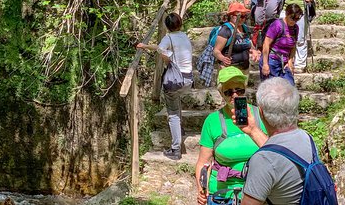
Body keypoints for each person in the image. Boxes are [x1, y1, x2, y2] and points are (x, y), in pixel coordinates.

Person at [239, 78, 323, 205]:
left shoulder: (263, 160)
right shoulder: (306, 138)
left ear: (261, 112)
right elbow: (281, 154)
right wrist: (253, 130)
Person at [195, 67, 268, 205]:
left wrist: (253, 130)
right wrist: (201, 190)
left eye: (239, 90)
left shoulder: (261, 115)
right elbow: (203, 162)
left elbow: (276, 152)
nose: (234, 95)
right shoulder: (213, 121)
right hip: (222, 194)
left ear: (245, 89)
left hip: (258, 192)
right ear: (221, 94)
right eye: (229, 92)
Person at [136, 13, 193, 160]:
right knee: (176, 102)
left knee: (172, 113)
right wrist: (146, 46)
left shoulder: (168, 38)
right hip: (187, 80)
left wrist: (167, 60)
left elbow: (161, 49)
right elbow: (161, 47)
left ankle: (175, 150)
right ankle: (180, 130)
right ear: (180, 24)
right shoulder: (184, 37)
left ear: (167, 27)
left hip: (175, 81)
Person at [276, 0, 319, 72]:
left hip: (300, 10)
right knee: (281, 34)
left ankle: (300, 64)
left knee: (300, 38)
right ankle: (282, 60)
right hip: (286, 9)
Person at [258, 4, 303, 86]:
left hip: (284, 62)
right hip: (271, 60)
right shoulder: (277, 25)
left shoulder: (295, 28)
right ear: (286, 14)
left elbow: (293, 46)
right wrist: (265, 64)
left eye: (297, 19)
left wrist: (290, 61)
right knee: (271, 90)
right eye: (292, 18)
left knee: (290, 87)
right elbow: (266, 43)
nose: (294, 21)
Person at [213, 3, 261, 72]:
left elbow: (249, 45)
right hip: (229, 70)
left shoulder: (245, 29)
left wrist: (253, 51)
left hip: (244, 68)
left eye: (244, 16)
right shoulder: (226, 30)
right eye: (240, 16)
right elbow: (216, 51)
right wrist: (223, 58)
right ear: (231, 16)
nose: (243, 19)